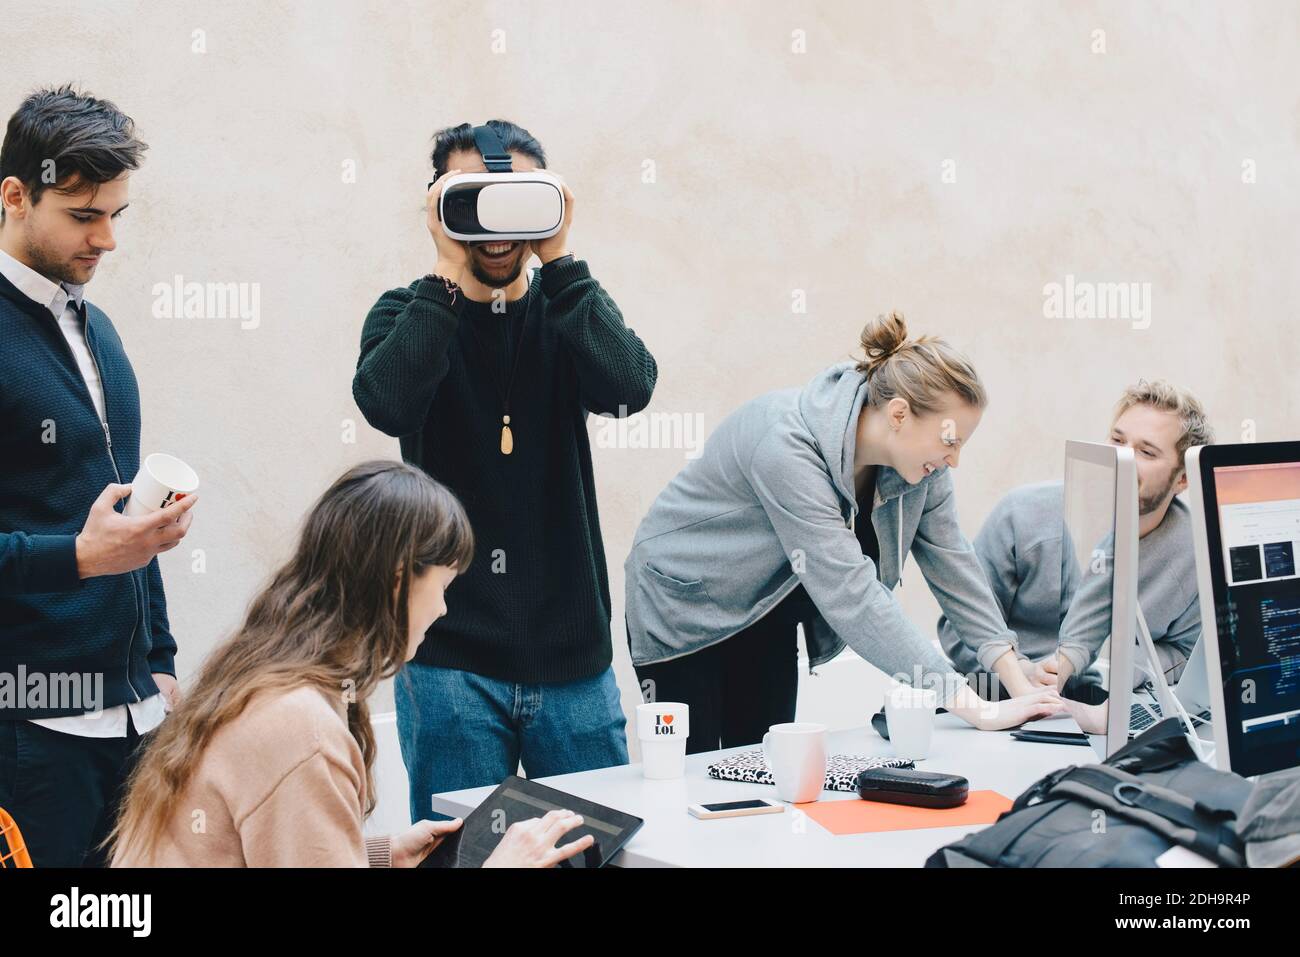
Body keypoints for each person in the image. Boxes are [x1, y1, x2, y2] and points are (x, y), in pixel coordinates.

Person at [352, 119, 658, 822]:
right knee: (465, 854)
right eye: (473, 201)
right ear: (439, 208)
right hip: (449, 658)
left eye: (516, 200)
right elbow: (387, 401)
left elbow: (629, 386)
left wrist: (563, 258)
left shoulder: (564, 309)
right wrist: (445, 273)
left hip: (572, 659)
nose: (495, 226)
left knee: (595, 850)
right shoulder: (409, 313)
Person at [109, 461, 595, 867]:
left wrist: (379, 856)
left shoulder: (267, 677)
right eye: (444, 587)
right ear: (400, 581)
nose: (445, 610)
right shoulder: (302, 730)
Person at [625, 311, 1061, 753]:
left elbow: (955, 566)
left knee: (764, 767)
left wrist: (1015, 677)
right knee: (690, 779)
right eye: (950, 441)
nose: (955, 460)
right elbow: (850, 593)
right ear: (898, 414)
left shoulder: (923, 469)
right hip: (683, 609)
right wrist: (975, 707)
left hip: (768, 609)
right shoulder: (784, 442)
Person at [0, 85, 197, 867]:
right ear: (15, 196)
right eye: (85, 216)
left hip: (137, 726)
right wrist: (80, 557)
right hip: (31, 734)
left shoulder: (97, 327)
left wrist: (162, 660)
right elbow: (92, 543)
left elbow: (121, 513)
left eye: (117, 214)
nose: (107, 239)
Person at [938, 380, 1214, 706]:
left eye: (1147, 451)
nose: (1121, 458)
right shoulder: (1022, 515)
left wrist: (1112, 672)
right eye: (1117, 439)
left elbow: (1187, 653)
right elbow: (957, 628)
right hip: (1003, 705)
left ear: (1182, 479)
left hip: (1112, 711)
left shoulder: (1197, 552)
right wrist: (1018, 671)